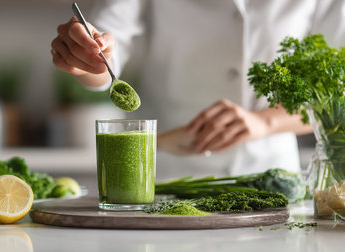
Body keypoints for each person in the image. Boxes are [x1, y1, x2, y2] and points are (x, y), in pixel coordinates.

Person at [51, 0, 345, 178]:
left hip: (270, 176)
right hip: (167, 172)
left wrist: (265, 121)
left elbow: (336, 92)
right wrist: (86, 56)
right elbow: (108, 47)